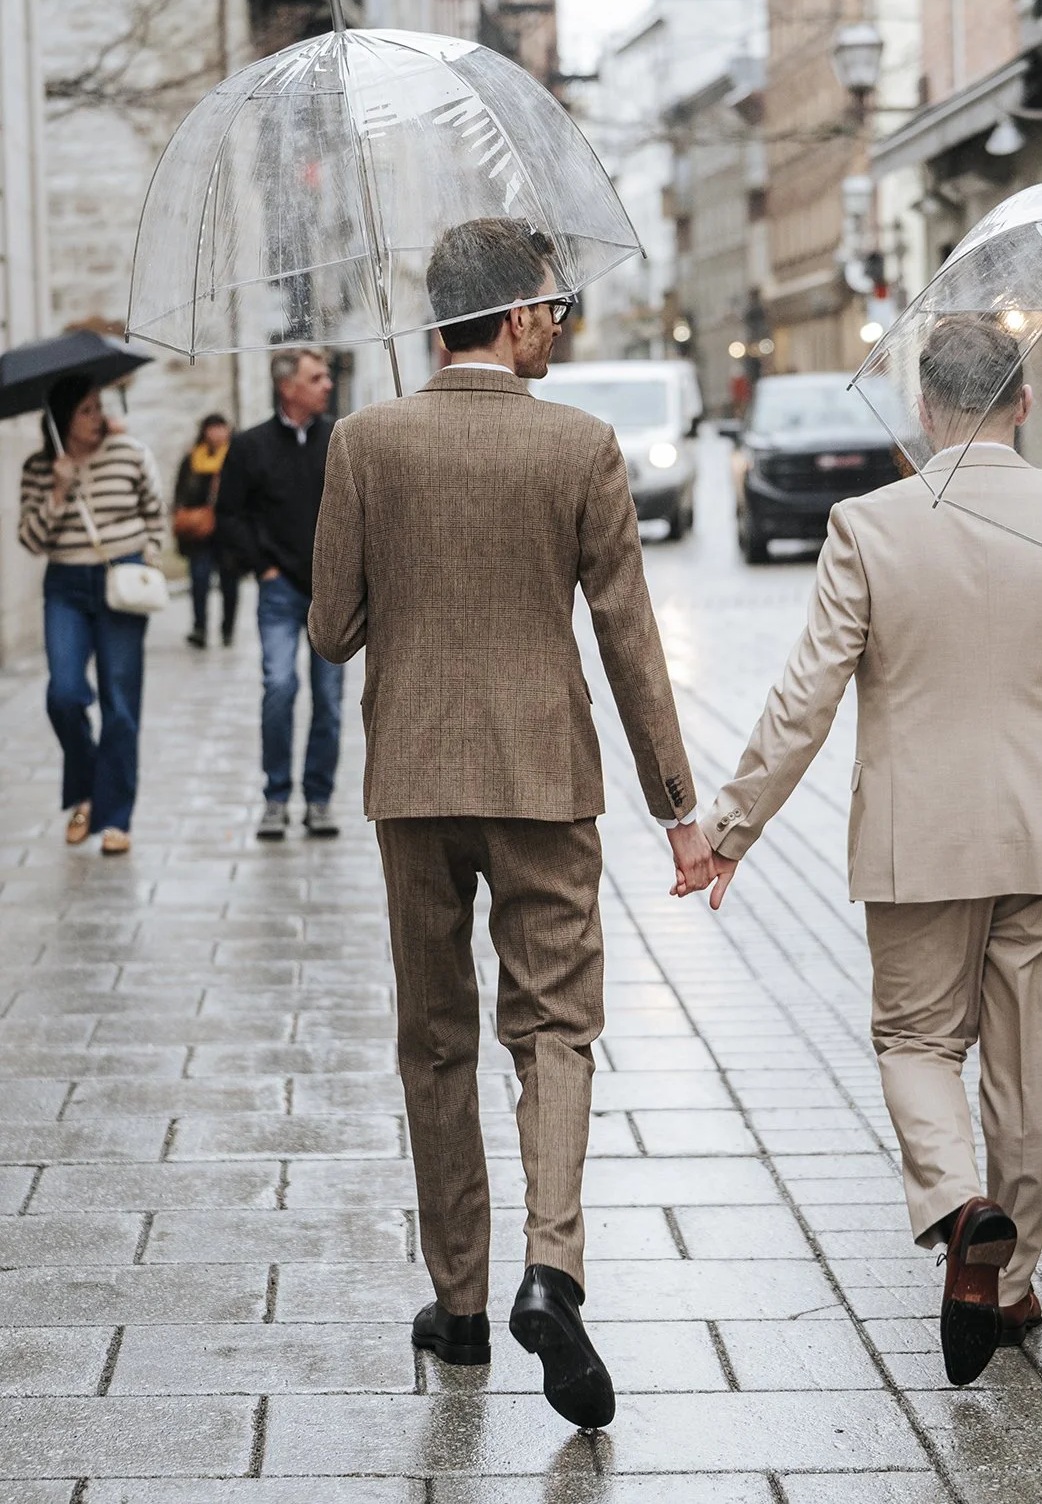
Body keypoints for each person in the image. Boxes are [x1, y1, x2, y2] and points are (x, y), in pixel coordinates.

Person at [694, 316, 1042, 1388]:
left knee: (914, 1039)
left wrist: (730, 829)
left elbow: (804, 696)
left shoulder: (870, 525)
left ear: (922, 409)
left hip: (918, 837)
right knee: (1024, 1055)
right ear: (1022, 404)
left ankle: (962, 1210)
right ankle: (1008, 1284)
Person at [309, 217, 713, 1432]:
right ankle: (553, 1263)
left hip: (414, 782)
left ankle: (464, 1303)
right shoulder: (581, 446)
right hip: (545, 779)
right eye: (551, 305)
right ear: (513, 314)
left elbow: (332, 628)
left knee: (434, 1039)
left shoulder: (364, 442)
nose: (558, 322)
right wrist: (677, 808)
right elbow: (629, 639)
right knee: (554, 1030)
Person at [18, 374, 166, 856]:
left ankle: (116, 817)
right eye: (86, 409)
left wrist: (150, 558)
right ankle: (85, 792)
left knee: (120, 705)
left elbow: (154, 510)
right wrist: (58, 493)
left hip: (121, 583)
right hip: (65, 586)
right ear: (62, 418)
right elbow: (31, 540)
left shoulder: (128, 453)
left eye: (99, 406)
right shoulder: (41, 468)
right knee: (64, 694)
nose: (98, 416)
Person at [217, 349, 342, 841]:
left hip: (330, 594)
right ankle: (275, 797)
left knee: (329, 701)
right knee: (279, 686)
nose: (327, 384)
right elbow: (229, 515)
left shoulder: (339, 439)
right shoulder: (249, 446)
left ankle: (318, 799)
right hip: (279, 592)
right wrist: (261, 567)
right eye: (317, 377)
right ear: (287, 387)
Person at [174, 413, 239, 649]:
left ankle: (227, 629)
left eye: (221, 428)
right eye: (212, 428)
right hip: (199, 532)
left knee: (229, 583)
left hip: (227, 532)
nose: (217, 433)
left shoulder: (235, 457)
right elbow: (181, 494)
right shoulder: (192, 459)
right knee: (199, 580)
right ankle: (199, 627)